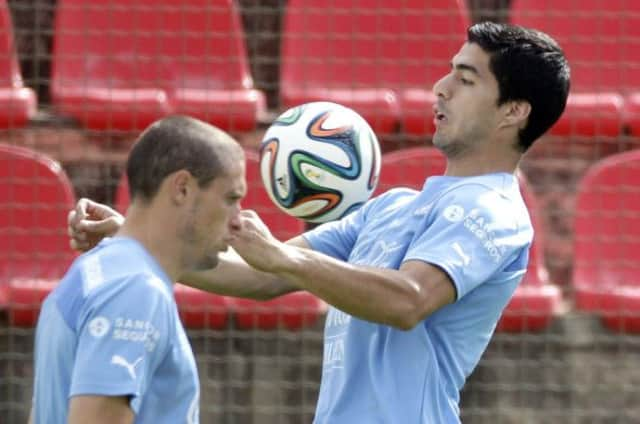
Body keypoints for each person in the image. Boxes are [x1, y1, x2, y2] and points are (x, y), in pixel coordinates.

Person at [67, 22, 570, 423]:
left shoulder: (494, 210)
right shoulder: (390, 206)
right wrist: (134, 235)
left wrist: (286, 257)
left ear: (513, 112)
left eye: (465, 80)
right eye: (448, 73)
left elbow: (408, 300)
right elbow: (258, 276)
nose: (440, 89)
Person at [31, 115, 246, 424]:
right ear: (182, 188)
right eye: (230, 198)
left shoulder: (91, 271)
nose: (238, 220)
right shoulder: (136, 289)